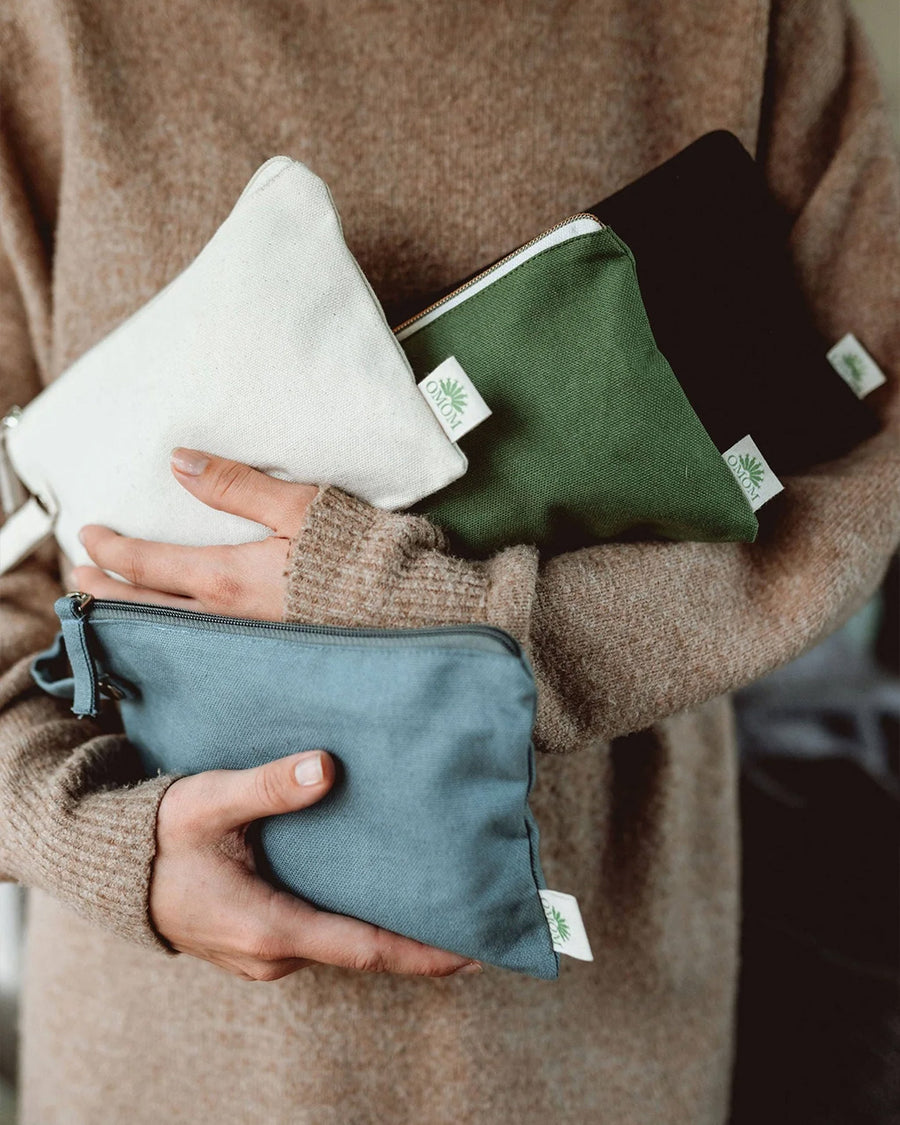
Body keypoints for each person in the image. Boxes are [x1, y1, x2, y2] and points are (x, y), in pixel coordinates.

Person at [1, 0, 898, 1121]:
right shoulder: (46, 27)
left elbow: (869, 440)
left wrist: (468, 626)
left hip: (593, 1038)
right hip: (169, 1057)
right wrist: (93, 840)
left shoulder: (753, 18)